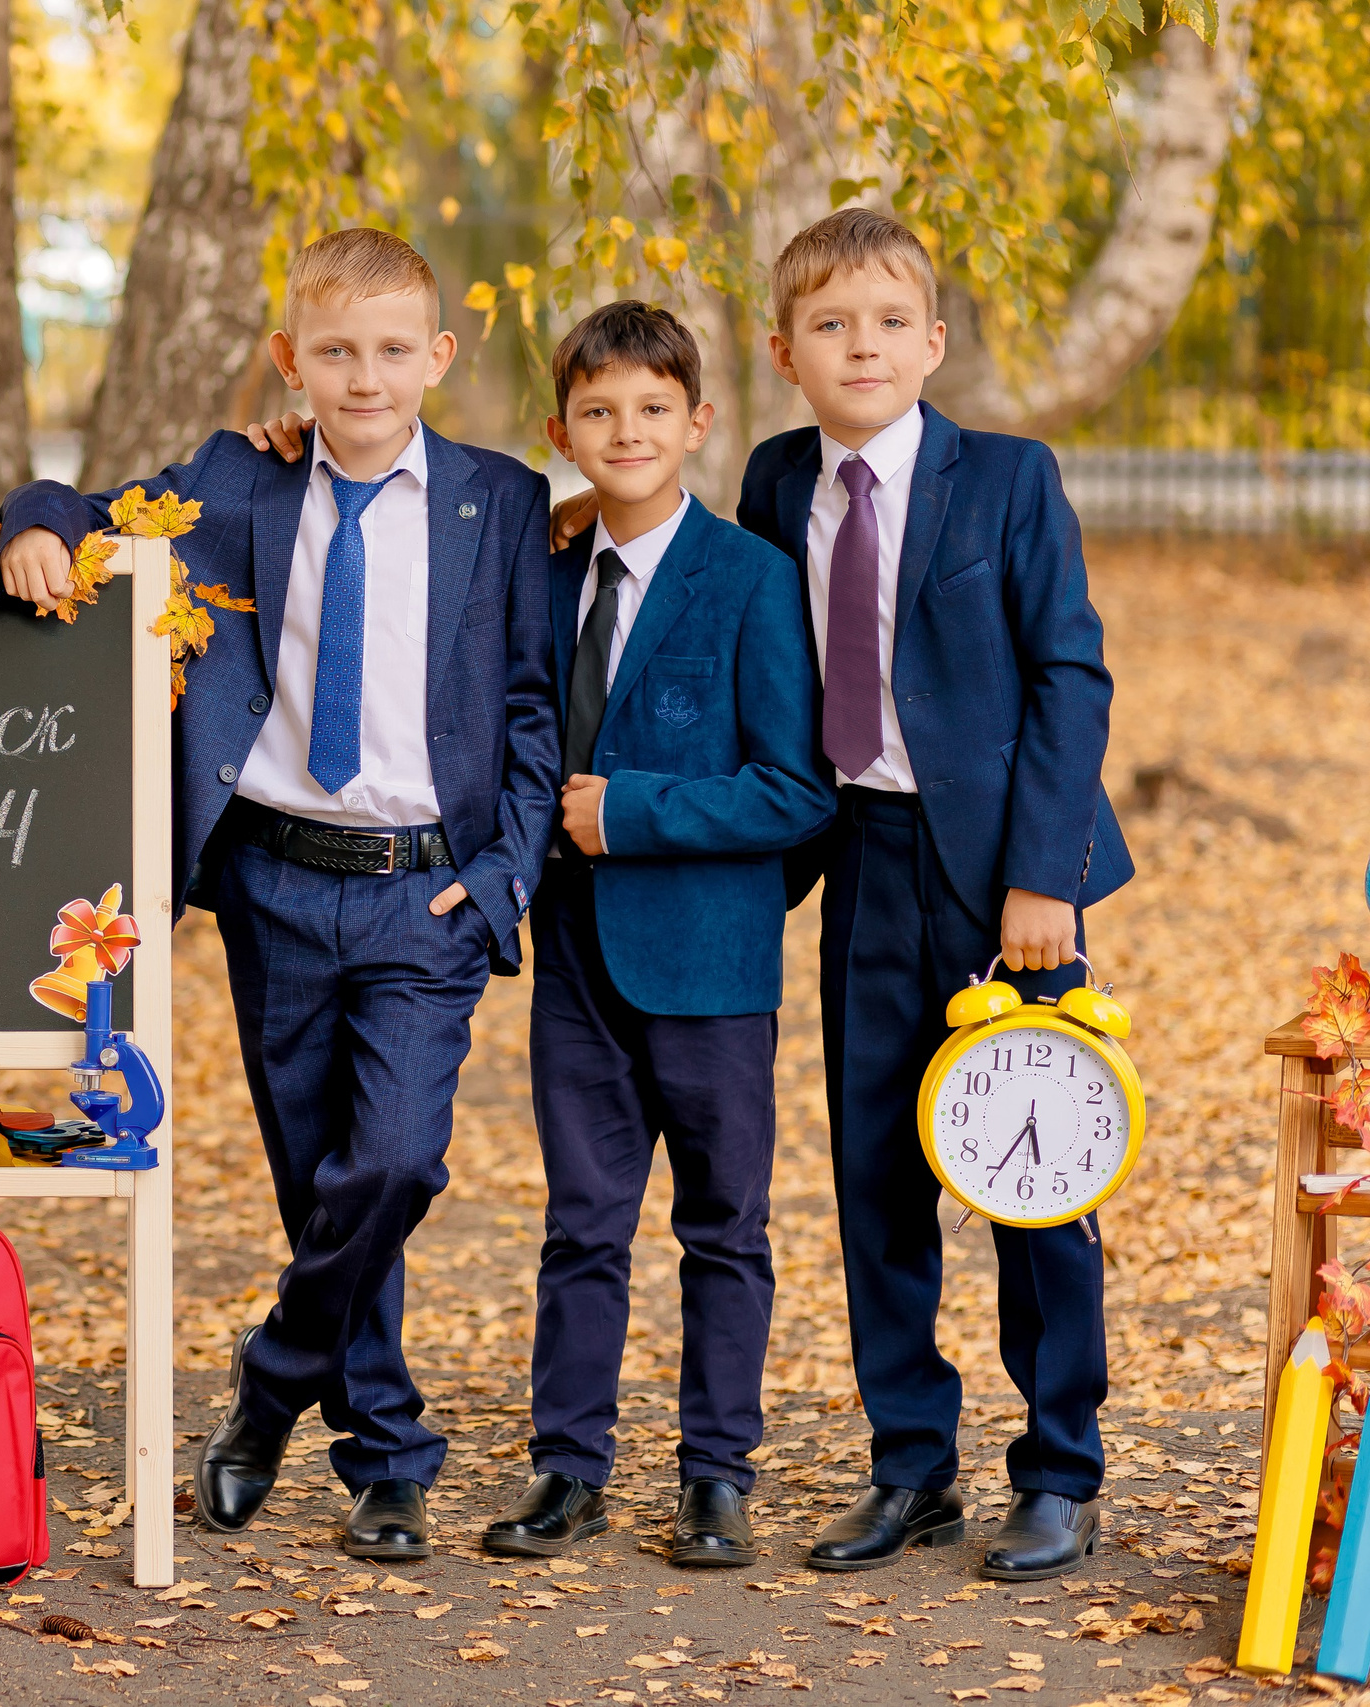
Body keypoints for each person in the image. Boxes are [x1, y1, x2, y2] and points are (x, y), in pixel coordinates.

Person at [0, 228, 561, 1561]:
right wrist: (34, 521)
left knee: (397, 1159)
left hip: (425, 892)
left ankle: (268, 1387)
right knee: (319, 1183)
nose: (364, 377)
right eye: (335, 351)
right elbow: (91, 507)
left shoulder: (498, 501)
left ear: (437, 355)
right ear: (289, 359)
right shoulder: (235, 480)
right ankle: (386, 1459)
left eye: (391, 350)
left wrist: (500, 876)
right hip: (276, 884)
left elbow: (532, 705)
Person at [735, 208, 1131, 1581]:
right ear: (785, 352)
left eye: (890, 322)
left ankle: (1061, 1468)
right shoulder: (776, 480)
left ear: (934, 342)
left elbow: (1070, 676)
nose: (863, 346)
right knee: (878, 1174)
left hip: (1004, 879)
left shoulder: (1007, 478)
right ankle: (911, 1464)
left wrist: (1042, 877)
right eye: (831, 324)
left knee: (1035, 1170)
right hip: (861, 858)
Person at [470, 302, 832, 1570]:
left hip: (712, 962)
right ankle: (567, 1468)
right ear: (559, 430)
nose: (625, 431)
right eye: (598, 411)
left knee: (723, 1226)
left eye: (651, 409)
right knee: (582, 1224)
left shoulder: (752, 580)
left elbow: (798, 791)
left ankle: (715, 1476)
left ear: (697, 422)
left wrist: (632, 813)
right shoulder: (544, 570)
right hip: (575, 959)